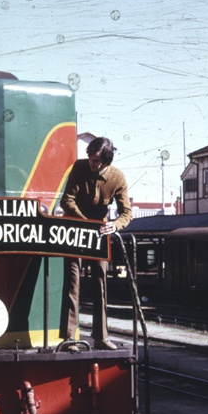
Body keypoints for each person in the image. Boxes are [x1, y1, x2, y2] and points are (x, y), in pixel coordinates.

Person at [60, 136, 133, 350]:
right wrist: (85, 223)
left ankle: (101, 337)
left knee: (100, 283)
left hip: (100, 236)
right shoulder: (79, 168)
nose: (92, 164)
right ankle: (69, 338)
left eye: (97, 162)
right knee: (73, 284)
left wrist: (115, 225)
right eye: (91, 159)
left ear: (107, 162)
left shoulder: (117, 177)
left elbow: (126, 212)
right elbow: (67, 199)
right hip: (74, 232)